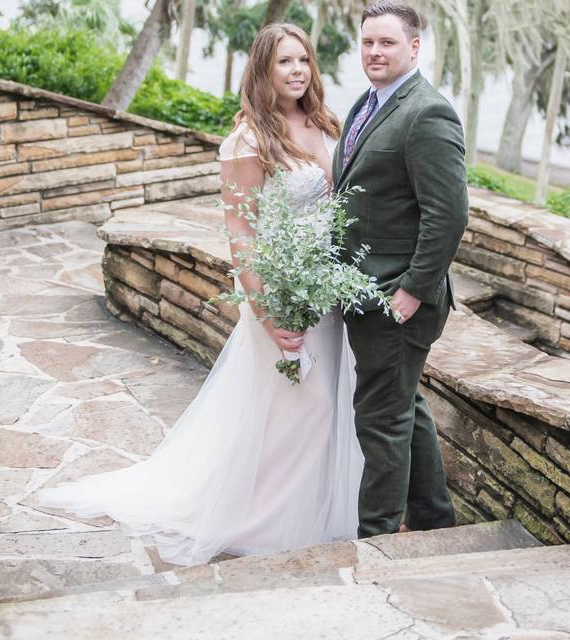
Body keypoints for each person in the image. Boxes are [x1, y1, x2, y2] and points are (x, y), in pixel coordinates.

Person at [38, 23, 364, 566]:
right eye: (284, 61)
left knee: (325, 406)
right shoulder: (248, 140)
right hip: (279, 295)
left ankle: (320, 512)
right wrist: (265, 311)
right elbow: (242, 230)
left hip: (325, 293)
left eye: (303, 59)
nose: (298, 70)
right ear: (262, 69)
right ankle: (265, 520)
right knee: (295, 409)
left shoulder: (327, 123)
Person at [334, 1, 470, 538]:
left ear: (414, 47)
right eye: (368, 42)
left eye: (386, 43)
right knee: (402, 408)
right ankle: (436, 522)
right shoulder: (366, 105)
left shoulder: (426, 113)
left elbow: (449, 214)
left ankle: (378, 541)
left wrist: (412, 290)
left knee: (380, 421)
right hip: (367, 293)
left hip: (397, 299)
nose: (374, 52)